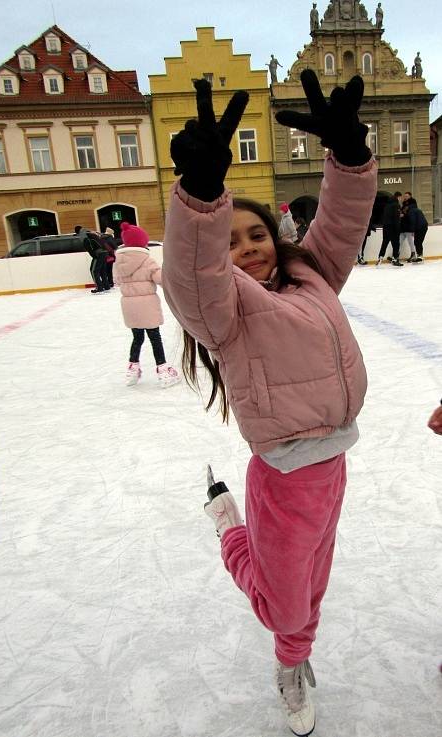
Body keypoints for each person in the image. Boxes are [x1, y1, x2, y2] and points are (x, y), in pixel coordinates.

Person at [163, 71, 376, 736]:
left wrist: (348, 156)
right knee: (283, 606)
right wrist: (201, 200)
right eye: (231, 241)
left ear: (276, 238)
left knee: (310, 588)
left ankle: (295, 644)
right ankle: (232, 530)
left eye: (254, 235)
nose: (246, 248)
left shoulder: (312, 271)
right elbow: (191, 274)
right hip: (282, 478)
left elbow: (341, 220)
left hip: (333, 465)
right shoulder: (223, 309)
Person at [113, 221, 180, 388]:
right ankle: (163, 371)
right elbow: (161, 279)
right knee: (154, 337)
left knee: (137, 337)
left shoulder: (118, 262)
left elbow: (116, 281)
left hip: (129, 306)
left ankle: (132, 370)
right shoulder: (147, 261)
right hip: (147, 306)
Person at [75, 225, 111, 292]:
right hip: (105, 252)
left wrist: (94, 256)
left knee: (94, 271)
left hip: (98, 253)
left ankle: (99, 287)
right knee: (102, 270)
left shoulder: (84, 236)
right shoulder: (90, 232)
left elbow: (89, 248)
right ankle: (106, 286)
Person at [376, 192, 403, 266]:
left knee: (385, 242)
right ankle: (395, 259)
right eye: (400, 198)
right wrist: (398, 228)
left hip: (385, 226)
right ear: (398, 197)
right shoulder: (396, 205)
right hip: (393, 227)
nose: (401, 199)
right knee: (396, 244)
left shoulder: (387, 205)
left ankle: (380, 258)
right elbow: (396, 218)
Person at [406, 197, 428, 262]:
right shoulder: (417, 209)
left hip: (419, 228)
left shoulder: (411, 211)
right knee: (418, 242)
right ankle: (420, 255)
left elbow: (413, 221)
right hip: (424, 227)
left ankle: (420, 256)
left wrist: (412, 230)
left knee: (417, 242)